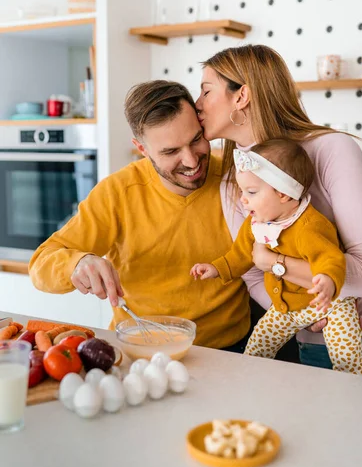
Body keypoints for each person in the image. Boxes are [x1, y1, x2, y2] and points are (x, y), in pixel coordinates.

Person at [195, 44, 362, 384]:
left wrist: (276, 264)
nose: (197, 104)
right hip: (310, 344)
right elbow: (250, 275)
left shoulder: (331, 150)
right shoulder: (233, 180)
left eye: (206, 91)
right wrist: (302, 316)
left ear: (241, 96)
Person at [29, 80, 258, 350]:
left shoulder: (240, 179)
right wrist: (77, 263)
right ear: (142, 149)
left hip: (232, 349)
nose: (192, 161)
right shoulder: (118, 192)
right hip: (141, 348)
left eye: (196, 139)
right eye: (171, 151)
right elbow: (40, 265)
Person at [191, 140, 362, 375]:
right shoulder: (255, 224)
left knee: (346, 354)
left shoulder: (309, 226)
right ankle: (251, 382)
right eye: (243, 191)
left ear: (283, 194)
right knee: (257, 346)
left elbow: (330, 258)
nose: (243, 199)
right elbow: (240, 255)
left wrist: (327, 279)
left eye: (251, 192)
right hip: (287, 307)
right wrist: (216, 268)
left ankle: (352, 386)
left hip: (330, 304)